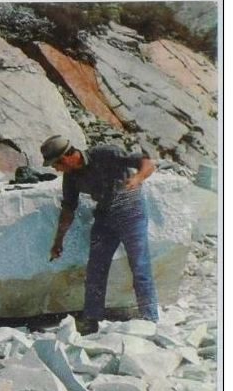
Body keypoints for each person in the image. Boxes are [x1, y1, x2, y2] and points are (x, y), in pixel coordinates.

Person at [42, 135, 159, 334]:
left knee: (139, 266)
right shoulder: (70, 178)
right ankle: (91, 319)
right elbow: (68, 209)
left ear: (67, 157)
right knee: (95, 270)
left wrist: (137, 178)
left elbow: (147, 163)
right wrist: (58, 241)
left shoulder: (106, 153)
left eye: (56, 164)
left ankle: (150, 318)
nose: (56, 169)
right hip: (105, 217)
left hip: (131, 211)